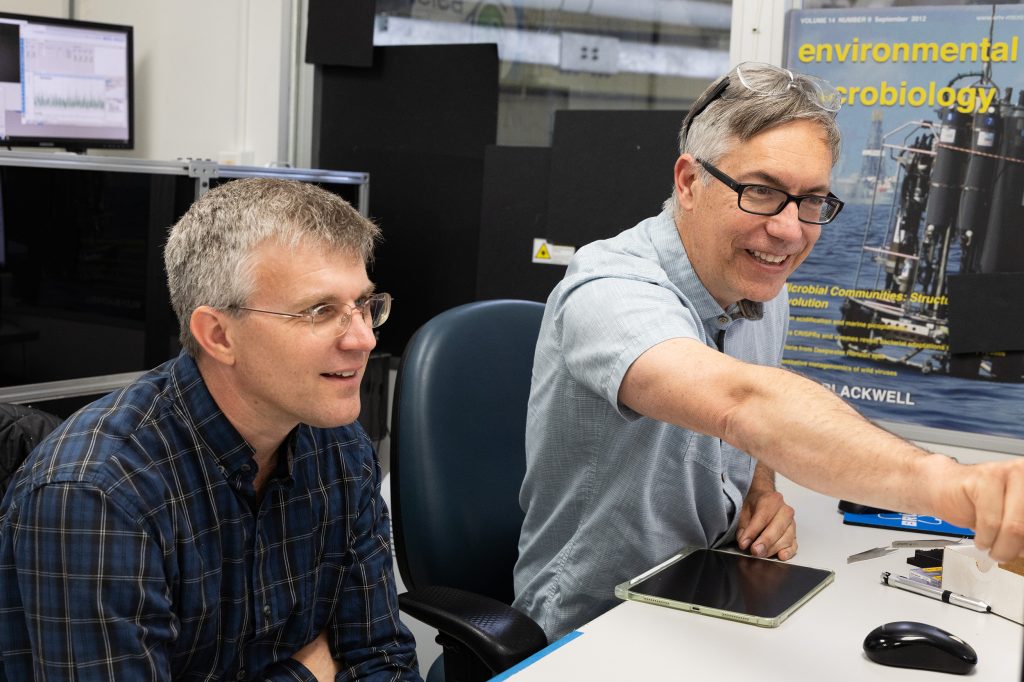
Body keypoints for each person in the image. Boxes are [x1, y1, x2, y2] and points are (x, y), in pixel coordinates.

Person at [512, 62, 1024, 641]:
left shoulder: (762, 287)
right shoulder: (608, 291)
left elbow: (755, 427)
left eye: (811, 201)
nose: (789, 230)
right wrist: (956, 488)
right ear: (688, 182)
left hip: (709, 589)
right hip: (592, 629)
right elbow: (744, 402)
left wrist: (762, 491)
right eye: (761, 192)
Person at [0, 178, 422, 681]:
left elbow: (381, 659)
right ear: (218, 335)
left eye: (364, 304)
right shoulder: (98, 495)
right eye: (320, 311)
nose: (363, 338)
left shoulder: (337, 443)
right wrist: (306, 674)